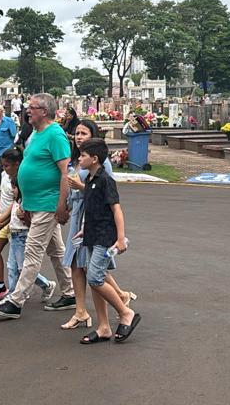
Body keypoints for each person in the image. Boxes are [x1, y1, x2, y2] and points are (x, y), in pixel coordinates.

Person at [0, 92, 76, 319]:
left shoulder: (55, 135)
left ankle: (16, 301)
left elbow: (65, 172)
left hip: (48, 203)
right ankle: (70, 292)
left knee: (32, 252)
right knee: (56, 252)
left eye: (32, 107)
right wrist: (24, 202)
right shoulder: (37, 134)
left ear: (44, 111)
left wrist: (61, 204)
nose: (28, 110)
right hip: (34, 203)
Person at [61, 119, 133, 331]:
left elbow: (110, 203)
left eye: (84, 133)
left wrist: (120, 237)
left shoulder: (101, 170)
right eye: (77, 133)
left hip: (97, 223)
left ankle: (120, 305)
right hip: (84, 221)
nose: (79, 137)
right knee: (79, 265)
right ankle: (90, 316)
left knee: (93, 272)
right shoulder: (81, 165)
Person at [75, 138, 140, 344]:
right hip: (92, 234)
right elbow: (94, 208)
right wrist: (85, 229)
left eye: (83, 155)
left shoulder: (105, 180)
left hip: (105, 236)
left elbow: (116, 209)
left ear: (94, 159)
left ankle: (125, 312)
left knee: (95, 277)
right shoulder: (89, 180)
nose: (79, 158)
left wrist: (120, 238)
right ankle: (103, 327)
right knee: (93, 278)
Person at [0, 147, 55, 303]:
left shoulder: (23, 181)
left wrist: (2, 222)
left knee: (23, 268)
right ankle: (12, 293)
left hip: (20, 230)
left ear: (17, 164)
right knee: (12, 266)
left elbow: (19, 206)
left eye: (7, 165)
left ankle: (40, 287)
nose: (4, 169)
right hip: (12, 228)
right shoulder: (7, 179)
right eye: (3, 166)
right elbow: (7, 199)